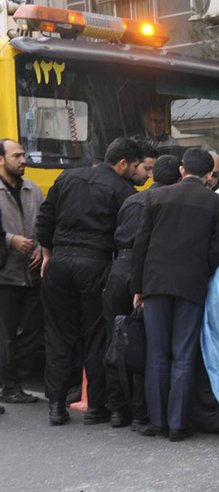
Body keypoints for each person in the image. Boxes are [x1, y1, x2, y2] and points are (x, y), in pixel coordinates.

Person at [35, 137, 143, 426]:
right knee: (97, 335)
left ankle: (56, 406)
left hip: (59, 262)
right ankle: (96, 406)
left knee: (58, 335)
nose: (137, 172)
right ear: (122, 164)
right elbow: (127, 234)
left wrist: (48, 252)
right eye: (135, 166)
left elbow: (44, 219)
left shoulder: (67, 177)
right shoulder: (123, 191)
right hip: (96, 264)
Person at [131, 148, 219, 441]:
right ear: (210, 175)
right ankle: (177, 425)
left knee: (156, 354)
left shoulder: (155, 197)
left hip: (156, 283)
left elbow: (141, 245)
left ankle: (158, 421)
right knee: (184, 355)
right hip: (192, 285)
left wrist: (138, 287)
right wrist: (201, 272)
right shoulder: (217, 203)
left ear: (182, 170)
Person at [103, 155, 182, 429]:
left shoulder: (131, 200)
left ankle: (116, 410)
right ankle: (140, 412)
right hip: (146, 272)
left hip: (118, 269)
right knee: (144, 342)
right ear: (180, 176)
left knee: (116, 339)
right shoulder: (168, 203)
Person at [0, 139, 44, 404]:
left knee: (31, 332)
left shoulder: (33, 190)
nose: (23, 159)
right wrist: (9, 239)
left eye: (24, 154)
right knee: (5, 334)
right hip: (5, 274)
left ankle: (15, 380)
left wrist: (41, 247)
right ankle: (10, 386)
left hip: (31, 272)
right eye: (16, 155)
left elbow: (43, 225)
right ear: (1, 160)